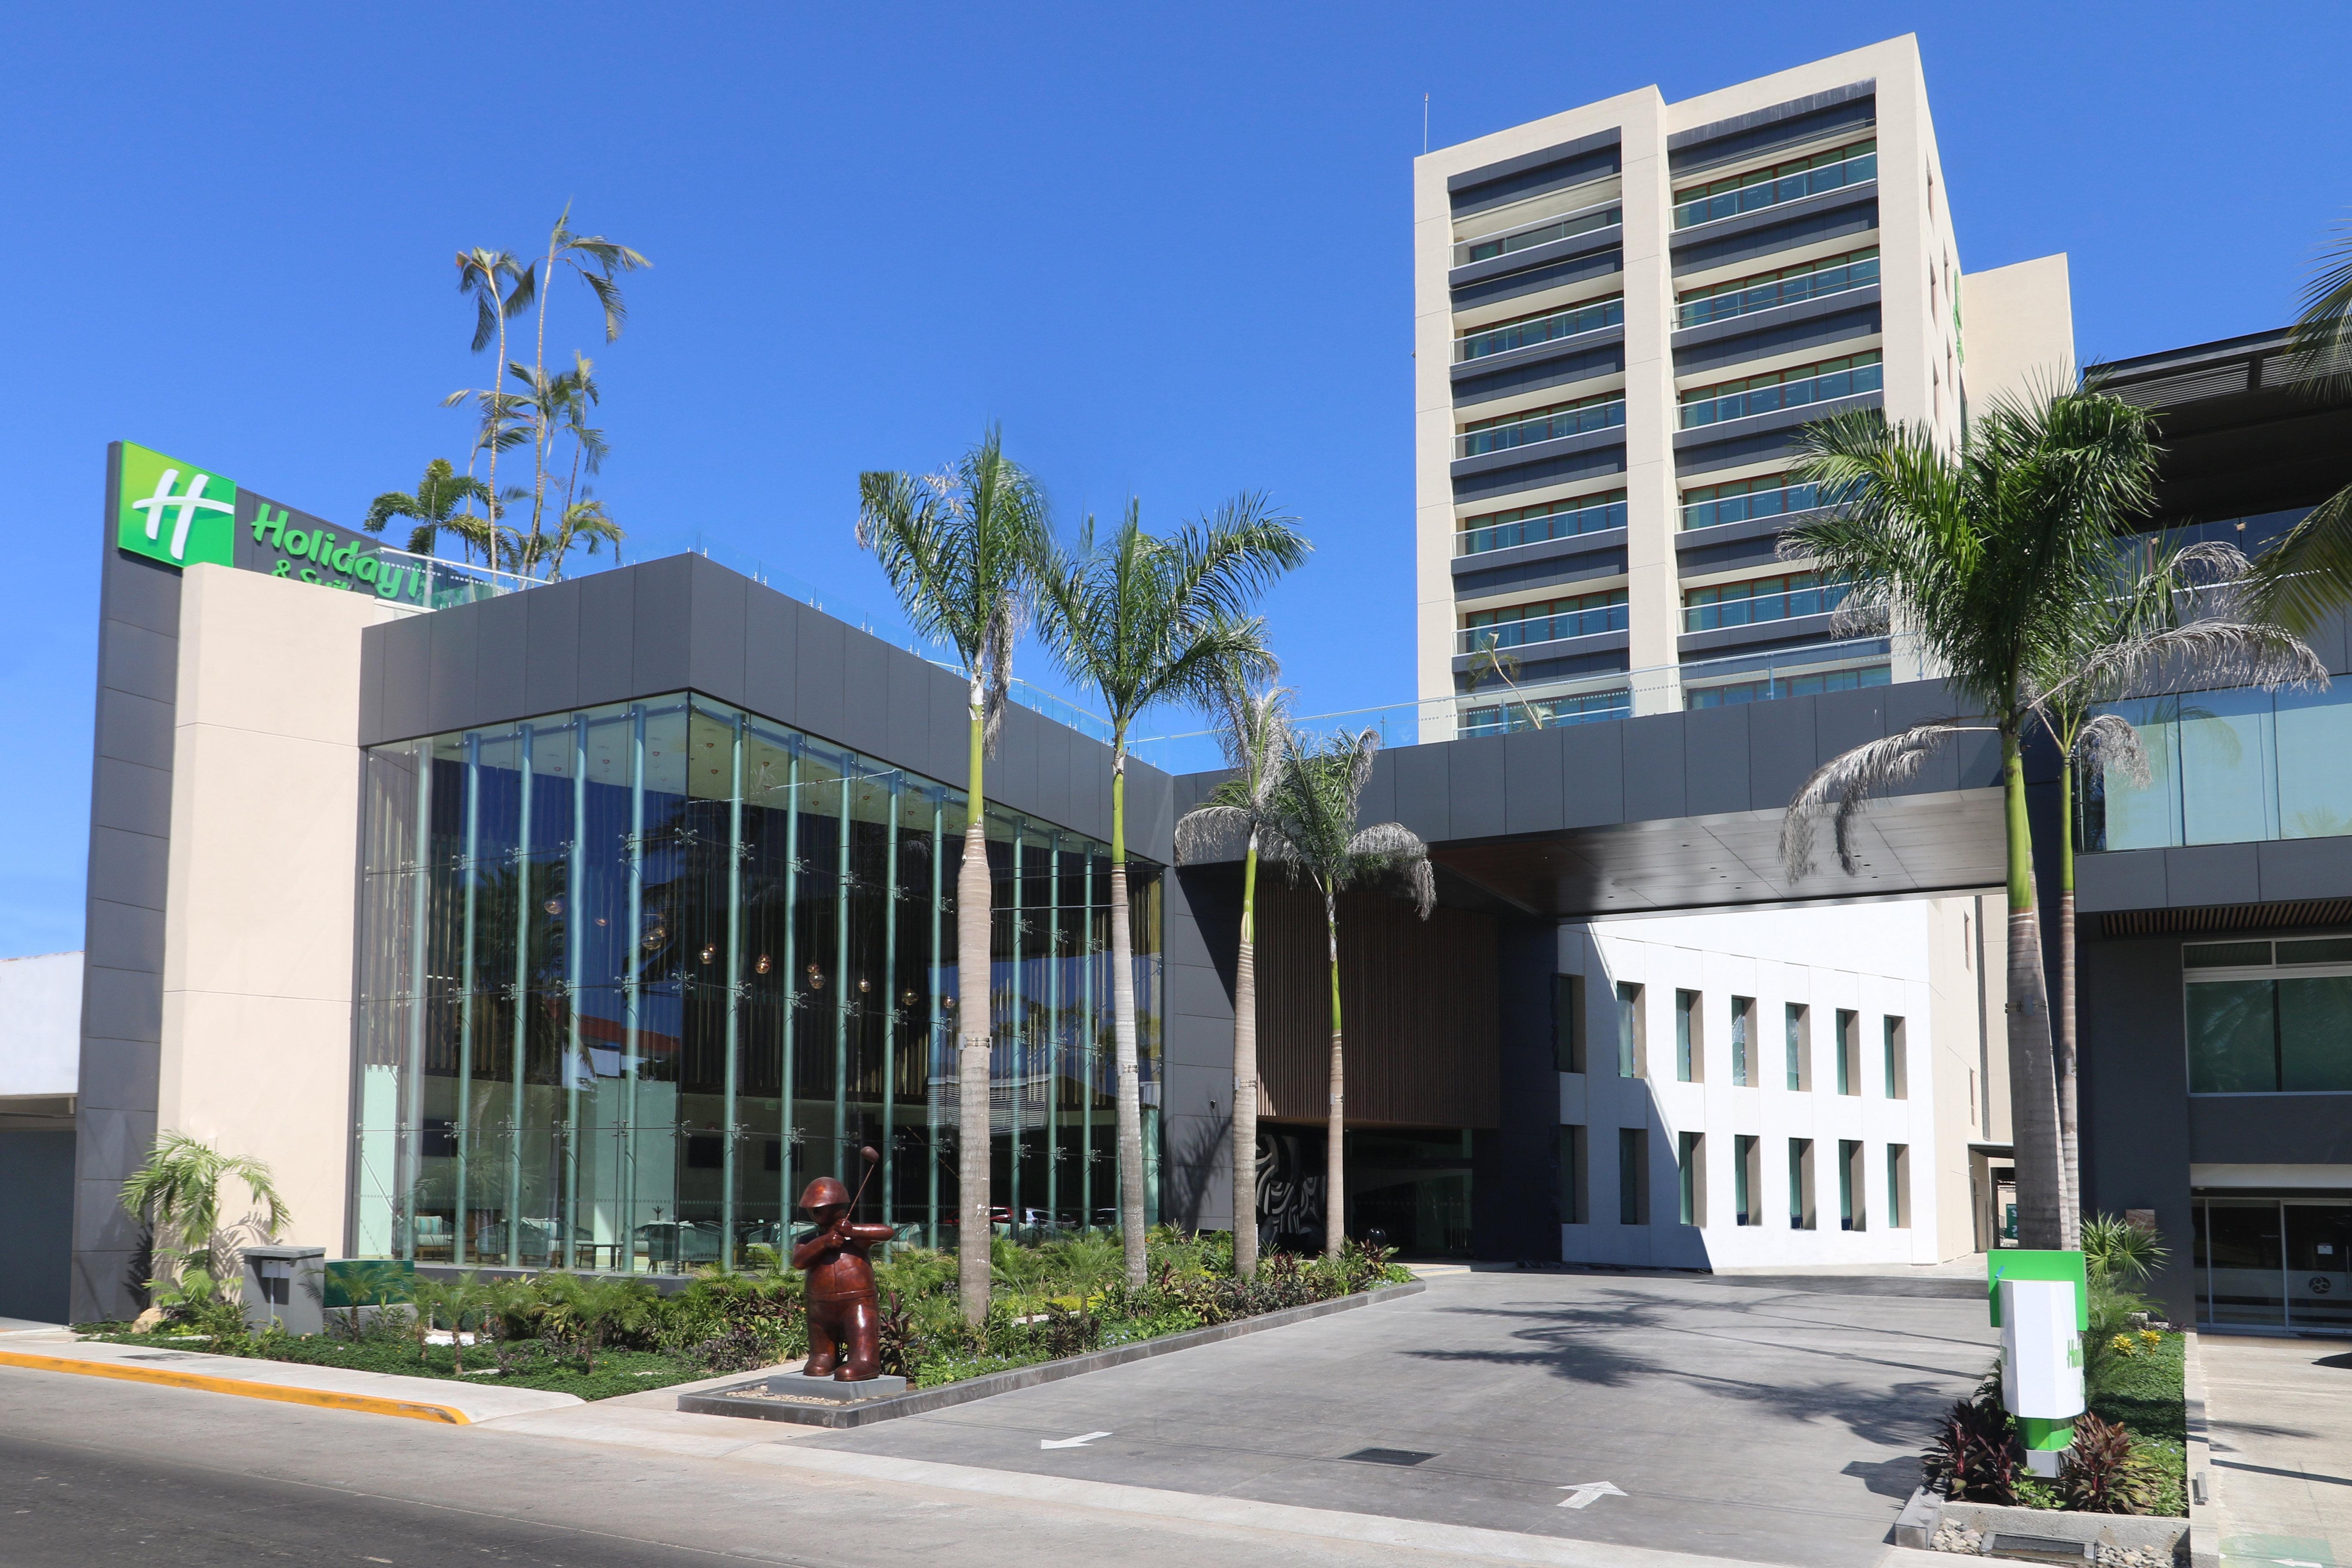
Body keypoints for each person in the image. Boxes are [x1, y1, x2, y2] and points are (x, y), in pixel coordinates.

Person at [790, 1176, 897, 1381]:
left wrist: (853, 1230)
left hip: (857, 1301)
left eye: (822, 1207)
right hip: (820, 1304)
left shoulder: (855, 1238)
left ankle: (865, 1361)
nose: (815, 1212)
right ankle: (823, 1356)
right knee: (819, 1349)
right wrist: (824, 1242)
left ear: (839, 1206)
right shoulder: (808, 1240)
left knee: (860, 1329)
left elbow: (886, 1232)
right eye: (812, 1208)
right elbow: (799, 1262)